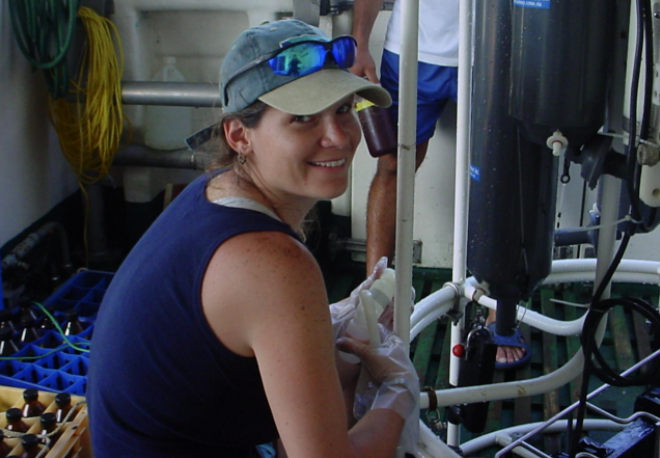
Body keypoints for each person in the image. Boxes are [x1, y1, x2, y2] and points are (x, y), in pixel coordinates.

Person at [87, 19, 419, 458]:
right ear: (239, 135)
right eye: (302, 118)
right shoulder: (274, 262)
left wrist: (325, 335)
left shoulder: (212, 190)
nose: (339, 136)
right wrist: (397, 392)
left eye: (343, 108)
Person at [350, 0, 528, 369]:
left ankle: (501, 310)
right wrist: (360, 44)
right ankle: (374, 298)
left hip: (495, 48)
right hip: (412, 50)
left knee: (504, 171)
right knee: (393, 164)